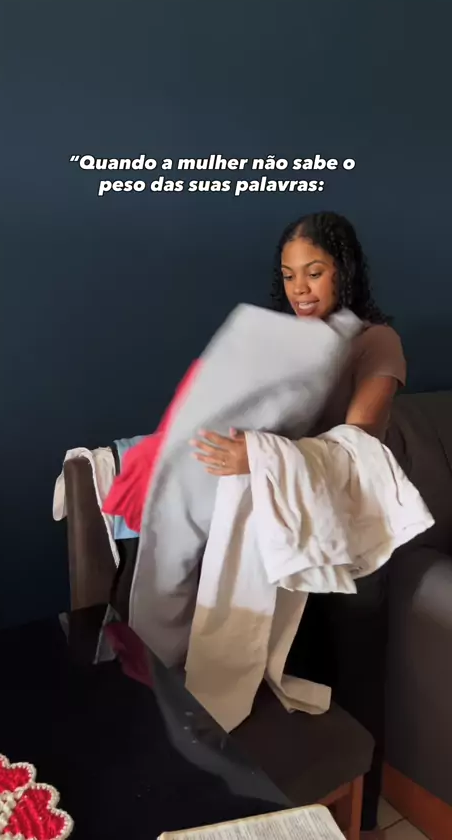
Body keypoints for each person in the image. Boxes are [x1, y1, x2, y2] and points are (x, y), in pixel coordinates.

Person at [190, 211, 407, 839]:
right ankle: (295, 819)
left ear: (345, 270)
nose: (301, 289)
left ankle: (363, 820)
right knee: (289, 676)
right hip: (290, 531)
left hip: (350, 532)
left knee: (354, 683)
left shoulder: (376, 342)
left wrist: (257, 456)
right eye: (289, 276)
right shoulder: (286, 343)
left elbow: (358, 438)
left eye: (315, 272)